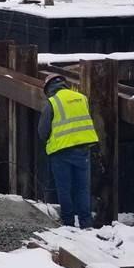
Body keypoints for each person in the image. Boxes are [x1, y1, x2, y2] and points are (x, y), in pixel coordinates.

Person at [38, 74, 99, 229]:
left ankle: (69, 223)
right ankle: (86, 223)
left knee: (64, 188)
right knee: (82, 188)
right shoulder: (81, 98)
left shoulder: (52, 102)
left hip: (61, 152)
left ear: (49, 88)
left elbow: (42, 131)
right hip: (82, 150)